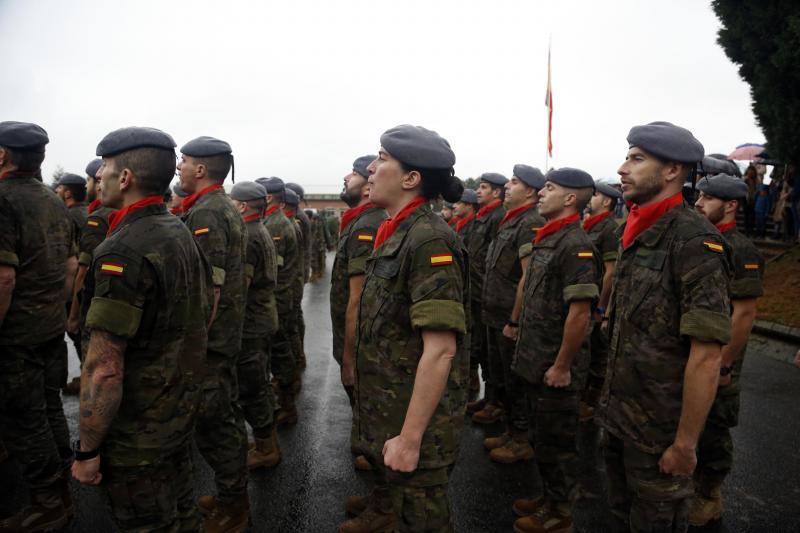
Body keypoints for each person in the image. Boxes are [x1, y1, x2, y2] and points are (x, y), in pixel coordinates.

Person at [71, 126, 210, 532]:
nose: (99, 179)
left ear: (125, 178)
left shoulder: (123, 248)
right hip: (176, 411)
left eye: (106, 170)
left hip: (138, 430)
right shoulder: (177, 229)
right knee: (182, 514)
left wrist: (87, 450)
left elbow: (104, 368)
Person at [596, 121, 732, 533]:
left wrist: (685, 445)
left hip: (660, 432)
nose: (623, 168)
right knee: (620, 516)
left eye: (637, 159)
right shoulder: (638, 229)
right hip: (622, 418)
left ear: (672, 170)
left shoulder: (694, 242)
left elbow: (706, 356)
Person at [340, 125, 467, 532]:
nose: (372, 169)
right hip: (391, 401)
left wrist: (411, 439)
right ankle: (383, 513)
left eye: (382, 159)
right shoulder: (398, 230)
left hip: (416, 418)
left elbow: (441, 349)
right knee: (397, 499)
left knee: (422, 516)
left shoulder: (429, 240)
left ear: (411, 179)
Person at [510, 168, 600, 533]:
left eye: (549, 188)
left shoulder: (575, 244)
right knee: (541, 438)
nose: (540, 194)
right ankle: (549, 497)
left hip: (555, 366)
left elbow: (580, 313)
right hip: (536, 359)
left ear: (569, 199)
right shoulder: (550, 239)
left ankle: (560, 512)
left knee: (557, 444)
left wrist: (563, 365)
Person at [0, 121, 74, 531]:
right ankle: (61, 480)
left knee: (23, 419)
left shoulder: (3, 199)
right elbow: (68, 268)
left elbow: (4, 278)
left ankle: (49, 503)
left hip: (15, 335)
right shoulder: (53, 200)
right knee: (48, 407)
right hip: (49, 325)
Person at [177, 135, 250, 531]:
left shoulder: (207, 213)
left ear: (201, 169)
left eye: (184, 161)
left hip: (211, 343)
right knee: (223, 418)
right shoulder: (217, 207)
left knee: (216, 425)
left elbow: (211, 289)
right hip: (221, 339)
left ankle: (234, 508)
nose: (178, 167)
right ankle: (229, 496)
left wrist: (194, 345)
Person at [691, 174, 763, 525]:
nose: (698, 203)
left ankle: (709, 495)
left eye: (707, 198)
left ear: (731, 205)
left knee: (714, 427)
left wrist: (723, 363)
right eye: (699, 196)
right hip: (697, 351)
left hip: (721, 358)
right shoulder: (704, 240)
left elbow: (745, 312)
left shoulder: (741, 248)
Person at [479, 164, 545, 463]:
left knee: (516, 379)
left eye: (515, 183)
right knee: (501, 373)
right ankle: (509, 427)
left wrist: (515, 319)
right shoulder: (511, 220)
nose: (508, 186)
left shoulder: (530, 222)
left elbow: (527, 276)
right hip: (496, 312)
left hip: (509, 315)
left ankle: (521, 437)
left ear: (530, 191)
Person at [330, 154, 386, 473]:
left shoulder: (367, 224)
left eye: (352, 174)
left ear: (367, 186)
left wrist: (350, 355)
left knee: (368, 403)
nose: (345, 178)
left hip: (362, 340)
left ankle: (381, 484)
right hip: (356, 336)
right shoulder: (359, 220)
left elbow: (358, 297)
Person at [230, 181, 282, 471]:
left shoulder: (248, 235)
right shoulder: (257, 229)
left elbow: (241, 288)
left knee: (252, 386)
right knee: (257, 382)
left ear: (241, 206)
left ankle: (266, 446)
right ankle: (266, 439)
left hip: (251, 323)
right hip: (261, 318)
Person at [64, 158, 117, 395]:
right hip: (114, 300)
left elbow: (84, 269)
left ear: (97, 183)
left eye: (89, 180)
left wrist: (74, 314)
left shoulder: (98, 216)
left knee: (94, 365)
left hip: (94, 302)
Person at [258, 177, 301, 427]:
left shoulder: (276, 225)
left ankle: (287, 404)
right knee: (281, 349)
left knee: (280, 351)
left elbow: (273, 270)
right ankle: (286, 396)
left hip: (278, 298)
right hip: (280, 296)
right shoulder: (273, 221)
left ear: (268, 198)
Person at [579, 181, 622, 421]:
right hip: (586, 300)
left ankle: (591, 402)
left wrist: (602, 307)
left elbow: (610, 272)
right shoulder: (588, 226)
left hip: (596, 302)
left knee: (597, 353)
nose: (591, 198)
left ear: (606, 202)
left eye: (595, 195)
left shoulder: (608, 230)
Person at [466, 172, 508, 413]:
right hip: (477, 292)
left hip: (488, 292)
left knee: (492, 352)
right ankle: (490, 397)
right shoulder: (483, 217)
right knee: (483, 349)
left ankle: (496, 402)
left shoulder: (497, 217)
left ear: (496, 193)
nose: (478, 191)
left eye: (483, 187)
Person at [283, 187, 308, 378]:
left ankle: (296, 359)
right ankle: (298, 356)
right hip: (297, 273)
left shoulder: (295, 221)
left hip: (292, 277)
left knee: (291, 323)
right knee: (295, 318)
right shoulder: (297, 219)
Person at [742, 165, 759, 236]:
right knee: (746, 216)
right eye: (749, 171)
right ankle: (747, 231)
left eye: (752, 171)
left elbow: (757, 189)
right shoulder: (745, 180)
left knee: (752, 217)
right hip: (746, 200)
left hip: (754, 200)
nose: (751, 172)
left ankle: (750, 230)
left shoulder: (756, 180)